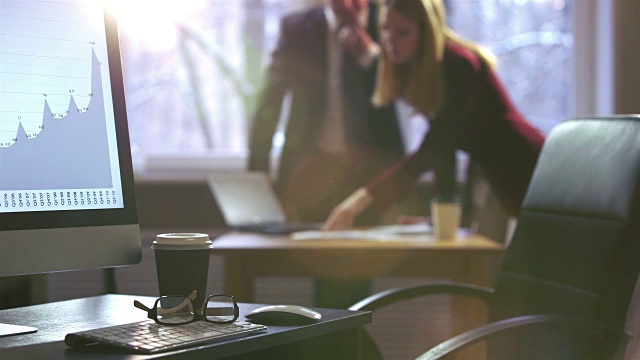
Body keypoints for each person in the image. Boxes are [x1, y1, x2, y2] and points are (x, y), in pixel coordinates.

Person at [324, 0, 546, 231]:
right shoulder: (424, 73)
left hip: (523, 164)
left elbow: (435, 148)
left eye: (403, 32)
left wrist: (362, 198)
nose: (391, 41)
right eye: (386, 30)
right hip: (490, 172)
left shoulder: (459, 65)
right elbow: (444, 153)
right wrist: (439, 219)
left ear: (425, 32)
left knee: (493, 260)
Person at [248, 0, 406, 309]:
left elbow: (406, 94)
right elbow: (270, 100)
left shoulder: (387, 22)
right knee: (324, 283)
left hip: (367, 180)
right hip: (310, 177)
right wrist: (259, 174)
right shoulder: (299, 29)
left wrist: (371, 55)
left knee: (357, 287)